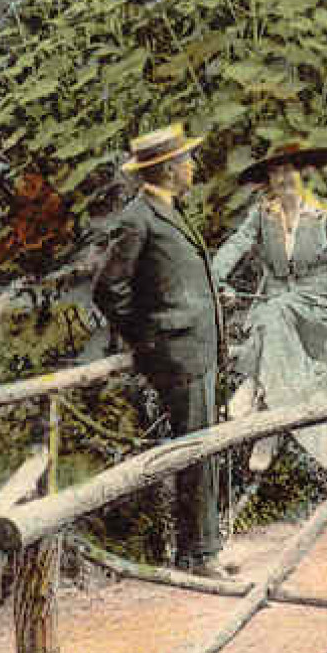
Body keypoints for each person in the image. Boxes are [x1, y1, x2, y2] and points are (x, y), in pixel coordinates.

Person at [91, 123, 231, 577]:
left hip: (197, 347)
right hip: (176, 351)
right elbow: (109, 288)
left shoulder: (169, 209)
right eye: (187, 160)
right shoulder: (138, 218)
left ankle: (201, 549)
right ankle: (197, 555)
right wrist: (148, 339)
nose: (193, 166)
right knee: (194, 450)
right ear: (170, 169)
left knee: (204, 447)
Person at [211, 140, 327, 473]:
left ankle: (253, 386)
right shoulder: (262, 214)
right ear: (268, 181)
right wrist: (213, 279)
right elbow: (236, 245)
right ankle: (268, 423)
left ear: (303, 173)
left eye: (289, 171)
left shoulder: (326, 213)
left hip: (320, 302)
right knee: (271, 314)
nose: (283, 179)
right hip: (278, 303)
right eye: (275, 173)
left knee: (271, 313)